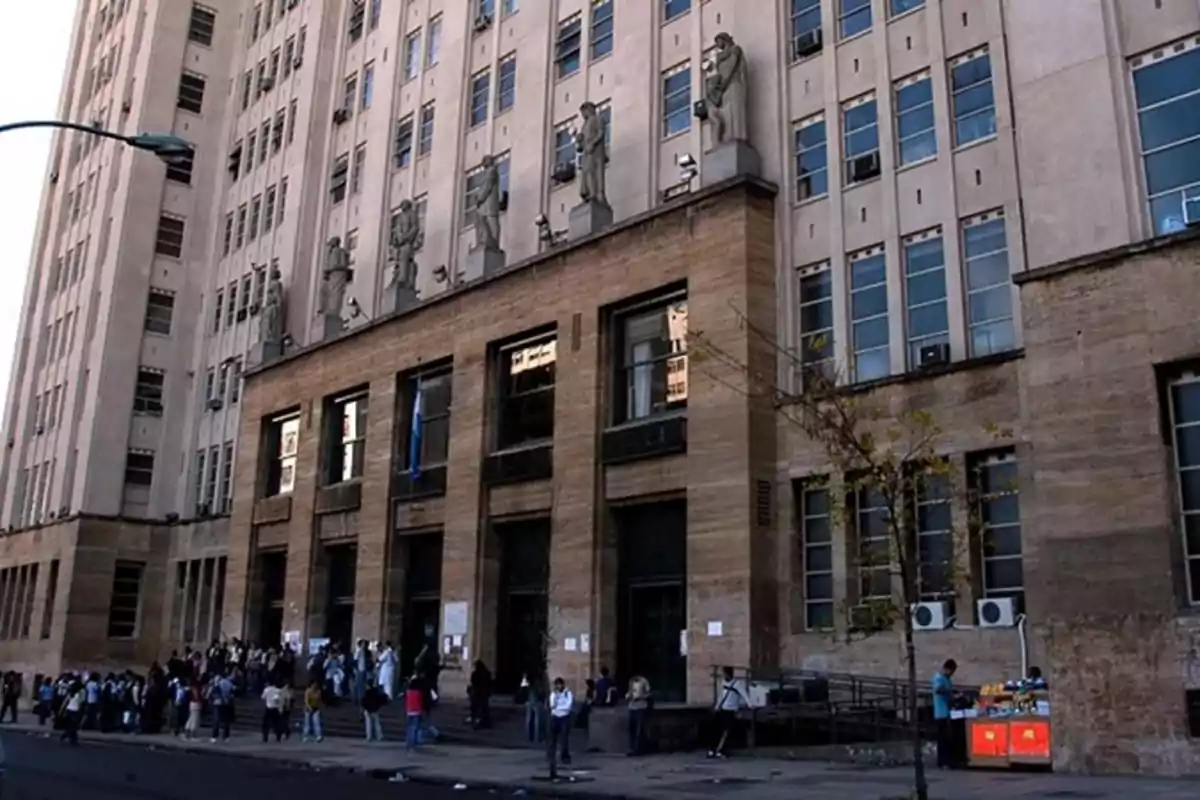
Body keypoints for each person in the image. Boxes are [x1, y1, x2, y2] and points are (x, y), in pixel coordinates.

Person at [708, 666, 745, 758]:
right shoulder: (724, 683)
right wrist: (717, 706)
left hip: (730, 710)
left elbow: (744, 694)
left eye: (725, 674)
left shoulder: (737, 684)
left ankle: (719, 750)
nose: (724, 676)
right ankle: (715, 750)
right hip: (724, 709)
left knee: (726, 731)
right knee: (720, 730)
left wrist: (750, 704)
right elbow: (721, 697)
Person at [932, 659, 958, 769]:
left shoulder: (947, 679)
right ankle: (943, 762)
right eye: (951, 671)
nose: (952, 674)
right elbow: (938, 690)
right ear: (947, 669)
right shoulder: (939, 678)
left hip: (947, 712)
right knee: (943, 738)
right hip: (941, 713)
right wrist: (948, 692)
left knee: (947, 738)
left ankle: (946, 761)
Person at [548, 677, 574, 765]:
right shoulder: (553, 694)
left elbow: (568, 706)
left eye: (560, 685)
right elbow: (552, 705)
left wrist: (559, 708)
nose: (558, 686)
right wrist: (555, 696)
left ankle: (565, 756)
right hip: (555, 717)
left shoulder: (568, 693)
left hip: (564, 717)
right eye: (557, 685)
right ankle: (551, 756)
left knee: (564, 739)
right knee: (552, 739)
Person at [625, 673, 652, 756]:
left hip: (641, 706)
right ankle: (632, 748)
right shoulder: (631, 681)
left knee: (639, 729)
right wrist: (628, 696)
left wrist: (641, 697)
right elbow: (630, 692)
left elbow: (649, 694)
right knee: (632, 728)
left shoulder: (644, 681)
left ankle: (639, 749)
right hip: (632, 707)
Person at [468, 660, 492, 730]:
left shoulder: (475, 674)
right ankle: (485, 722)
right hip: (483, 692)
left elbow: (473, 681)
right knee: (484, 708)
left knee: (475, 708)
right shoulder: (487, 673)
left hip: (478, 692)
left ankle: (476, 721)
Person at [60, 680, 85, 745]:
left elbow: (65, 701)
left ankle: (73, 739)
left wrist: (62, 710)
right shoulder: (80, 693)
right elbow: (81, 702)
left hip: (69, 709)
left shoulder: (71, 693)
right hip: (75, 710)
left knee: (71, 725)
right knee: (74, 726)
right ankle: (66, 735)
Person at [404, 674, 424, 752]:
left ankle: (408, 743)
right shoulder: (419, 693)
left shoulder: (408, 692)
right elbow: (420, 703)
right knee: (415, 728)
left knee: (409, 729)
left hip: (409, 711)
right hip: (416, 712)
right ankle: (413, 744)